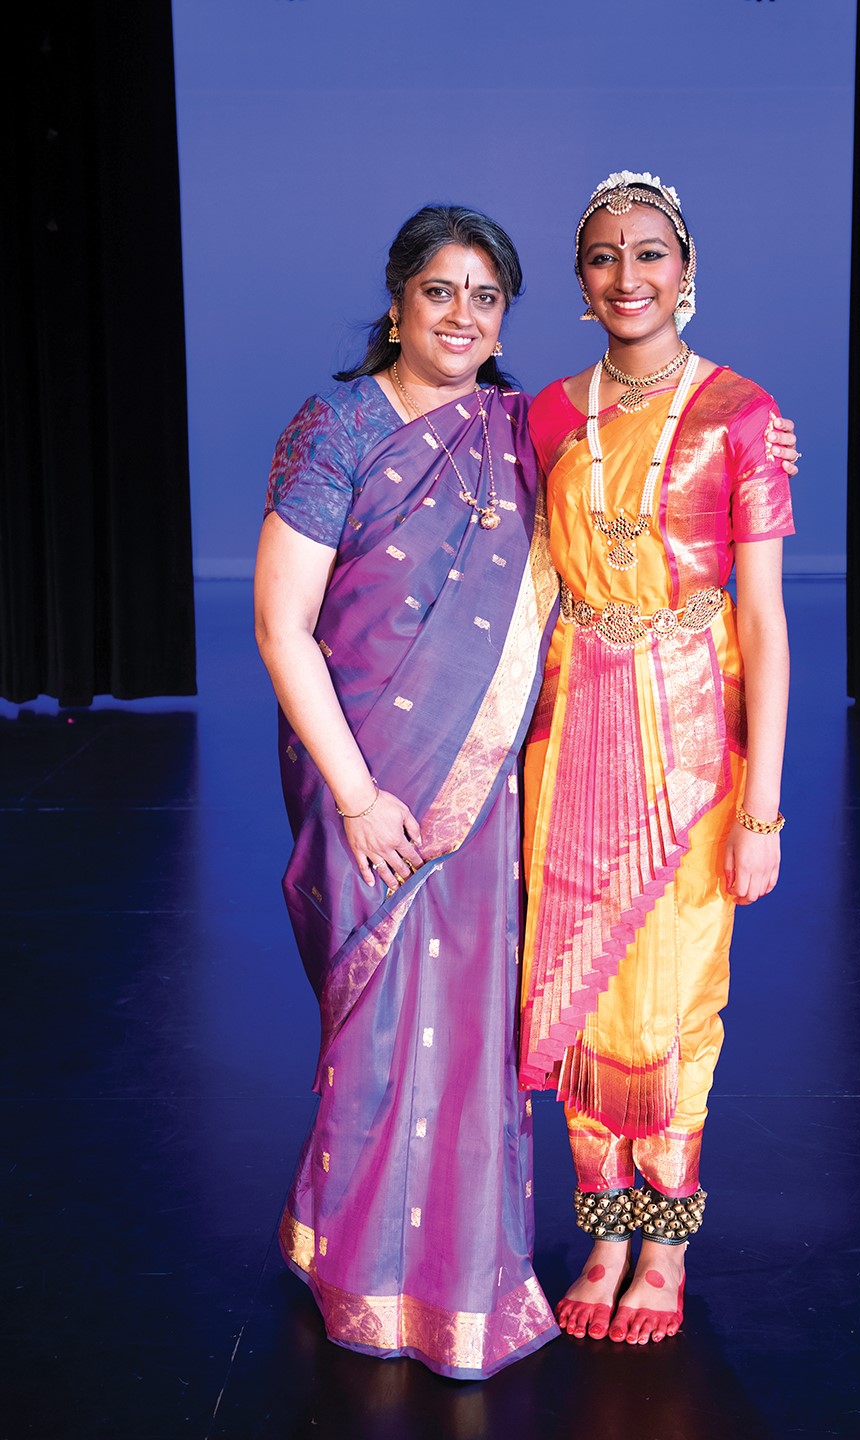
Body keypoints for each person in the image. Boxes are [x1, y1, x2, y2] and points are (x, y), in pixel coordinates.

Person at [254, 206, 561, 1379]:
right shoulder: (335, 424)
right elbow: (284, 628)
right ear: (397, 302)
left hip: (478, 790)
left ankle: (460, 1276)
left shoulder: (519, 429)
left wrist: (754, 443)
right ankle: (356, 1261)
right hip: (363, 780)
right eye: (442, 291)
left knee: (470, 1024)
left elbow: (645, 466)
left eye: (487, 298)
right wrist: (357, 795)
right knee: (375, 1023)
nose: (464, 316)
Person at [518, 171, 796, 1346]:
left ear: (685, 268)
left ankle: (665, 1241)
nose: (626, 277)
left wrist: (764, 811)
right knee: (579, 985)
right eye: (601, 258)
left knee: (676, 995)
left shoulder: (742, 413)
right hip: (574, 729)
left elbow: (769, 621)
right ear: (580, 285)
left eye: (648, 254)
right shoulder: (542, 415)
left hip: (691, 738)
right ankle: (604, 1230)